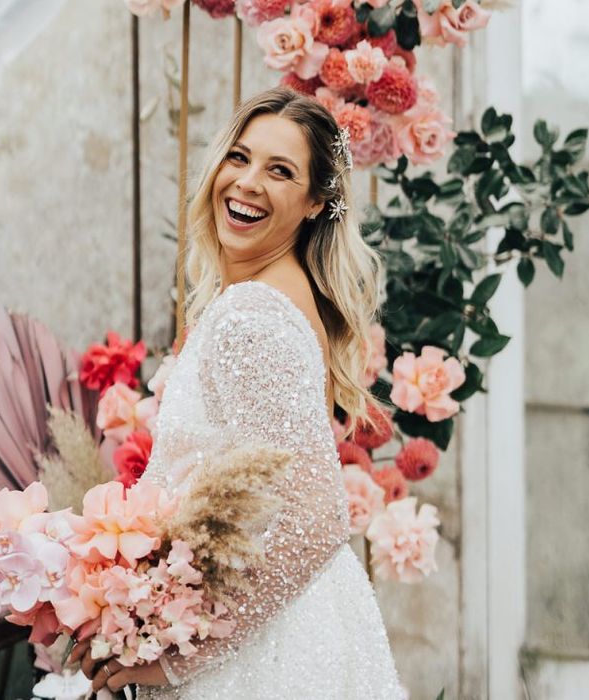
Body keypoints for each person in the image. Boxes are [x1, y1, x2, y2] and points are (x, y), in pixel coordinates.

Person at [70, 86, 407, 699]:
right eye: (239, 157)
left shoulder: (253, 315)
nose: (248, 182)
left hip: (262, 655)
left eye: (280, 171)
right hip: (285, 616)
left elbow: (315, 514)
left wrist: (181, 655)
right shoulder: (277, 293)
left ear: (313, 203)